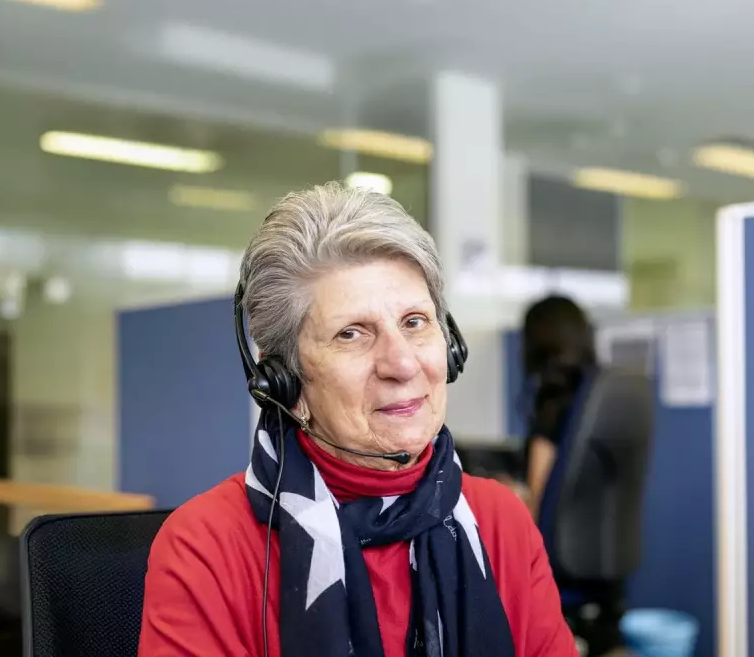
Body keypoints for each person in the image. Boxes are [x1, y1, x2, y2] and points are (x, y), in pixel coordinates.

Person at [138, 182, 578, 657]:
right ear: (284, 381)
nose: (403, 364)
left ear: (449, 347)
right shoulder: (208, 547)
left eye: (414, 322)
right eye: (351, 334)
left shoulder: (499, 522)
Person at [521, 295, 597, 521]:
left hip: (554, 549)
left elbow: (539, 502)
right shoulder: (593, 393)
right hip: (599, 541)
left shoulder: (552, 403)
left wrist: (505, 496)